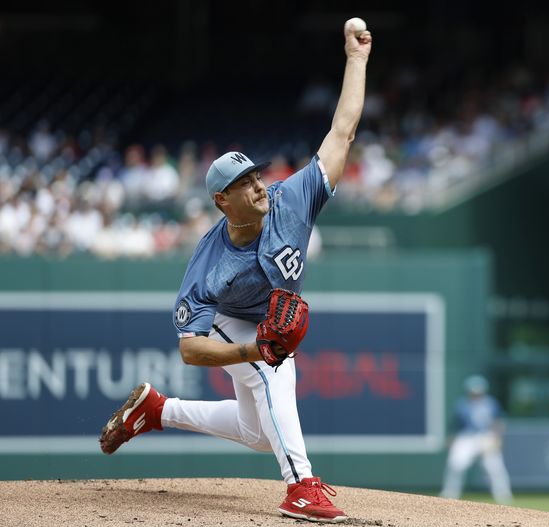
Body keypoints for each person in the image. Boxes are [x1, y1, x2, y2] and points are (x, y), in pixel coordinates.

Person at [98, 19, 373, 524]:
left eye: (256, 175)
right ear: (222, 200)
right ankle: (301, 487)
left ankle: (157, 410)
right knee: (273, 370)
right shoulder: (209, 263)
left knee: (257, 432)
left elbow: (343, 131)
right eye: (244, 183)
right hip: (232, 319)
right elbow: (190, 348)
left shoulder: (293, 199)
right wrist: (252, 351)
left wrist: (356, 60)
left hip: (265, 319)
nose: (258, 186)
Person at [440, 375, 513, 504]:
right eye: (473, 392)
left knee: (494, 467)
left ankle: (503, 495)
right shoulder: (462, 404)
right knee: (456, 465)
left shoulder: (491, 403)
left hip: (486, 436)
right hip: (467, 437)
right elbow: (456, 424)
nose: (476, 394)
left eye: (478, 392)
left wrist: (497, 437)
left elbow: (498, 421)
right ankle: (450, 493)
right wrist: (452, 437)